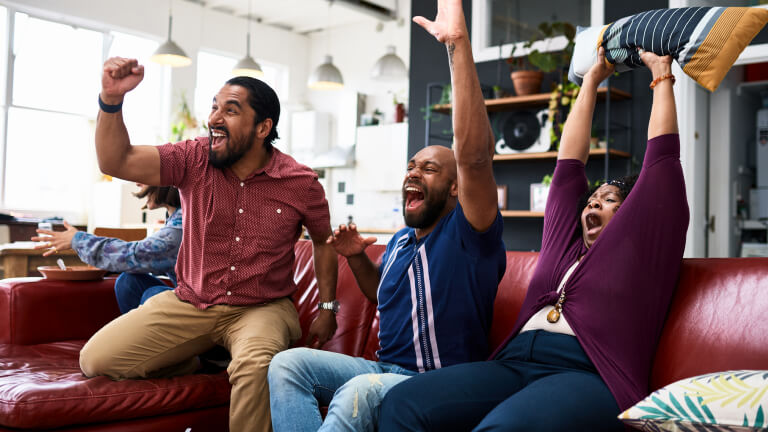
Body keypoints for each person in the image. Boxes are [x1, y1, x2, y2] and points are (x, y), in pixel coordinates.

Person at [378, 1, 689, 430]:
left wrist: (661, 75)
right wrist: (591, 80)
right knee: (401, 405)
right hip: (514, 362)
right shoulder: (564, 244)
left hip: (587, 375)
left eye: (610, 198)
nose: (594, 202)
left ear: (635, 212)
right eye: (593, 198)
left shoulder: (646, 245)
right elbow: (567, 169)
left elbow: (661, 162)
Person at [266, 1, 506, 430]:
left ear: (455, 187)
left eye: (429, 168)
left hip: (439, 383)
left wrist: (458, 45)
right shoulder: (399, 241)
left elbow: (474, 157)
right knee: (288, 364)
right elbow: (382, 296)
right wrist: (357, 257)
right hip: (382, 369)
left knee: (356, 394)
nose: (413, 172)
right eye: (411, 166)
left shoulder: (470, 234)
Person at [78, 57, 338, 432]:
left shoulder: (301, 182)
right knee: (96, 359)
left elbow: (323, 242)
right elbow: (116, 160)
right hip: (191, 302)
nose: (215, 118)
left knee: (255, 367)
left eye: (230, 111)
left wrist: (327, 308)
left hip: (261, 308)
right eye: (214, 107)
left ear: (263, 127)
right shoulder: (193, 158)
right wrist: (111, 99)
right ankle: (194, 358)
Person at [31, 185, 182, 314]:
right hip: (187, 298)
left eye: (145, 175)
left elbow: (134, 254)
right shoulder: (175, 218)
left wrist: (77, 240)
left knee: (154, 295)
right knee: (128, 281)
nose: (137, 182)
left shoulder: (180, 226)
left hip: (201, 309)